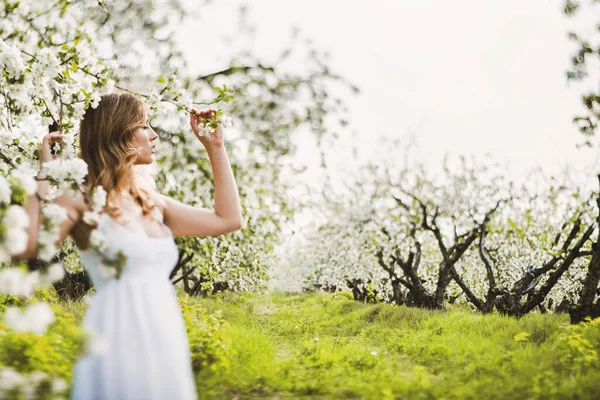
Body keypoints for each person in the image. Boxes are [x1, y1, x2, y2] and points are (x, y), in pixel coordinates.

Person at [15, 91, 244, 399]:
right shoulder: (80, 198)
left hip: (165, 334)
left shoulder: (149, 198)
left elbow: (227, 219)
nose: (153, 135)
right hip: (116, 338)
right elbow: (29, 245)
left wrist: (216, 147)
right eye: (143, 125)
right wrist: (44, 175)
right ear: (116, 132)